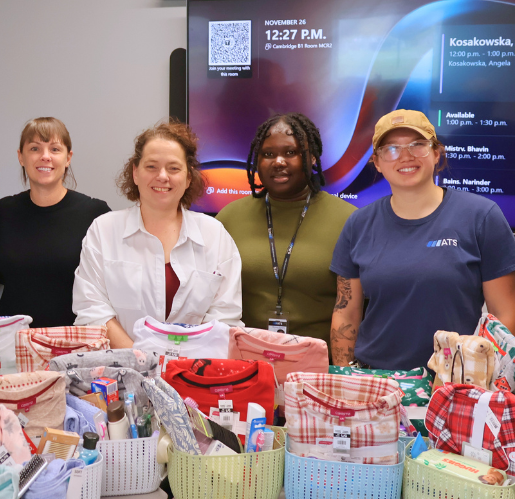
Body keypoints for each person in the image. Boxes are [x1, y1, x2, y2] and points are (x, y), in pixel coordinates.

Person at [330, 109, 515, 369]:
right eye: (391, 148)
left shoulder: (481, 217)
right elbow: (345, 312)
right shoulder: (359, 224)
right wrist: (344, 375)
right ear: (377, 162)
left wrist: (478, 376)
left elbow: (505, 316)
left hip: (455, 384)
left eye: (418, 145)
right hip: (375, 381)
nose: (405, 156)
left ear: (436, 153)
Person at [73, 121, 242, 347]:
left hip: (194, 370)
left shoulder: (215, 235)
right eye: (151, 166)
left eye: (173, 168)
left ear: (188, 177)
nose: (162, 176)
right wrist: (141, 360)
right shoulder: (103, 231)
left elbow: (225, 317)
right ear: (135, 172)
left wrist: (181, 365)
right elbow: (92, 310)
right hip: (123, 370)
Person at [216, 113, 355, 345]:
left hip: (320, 368)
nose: (278, 161)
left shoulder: (349, 220)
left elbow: (357, 308)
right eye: (268, 154)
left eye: (291, 152)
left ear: (312, 158)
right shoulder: (228, 218)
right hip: (242, 363)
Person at [0, 117, 110, 327]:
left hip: (76, 344)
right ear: (21, 157)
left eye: (55, 149)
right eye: (35, 148)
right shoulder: (3, 212)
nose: (45, 157)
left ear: (68, 157)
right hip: (14, 343)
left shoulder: (95, 214)